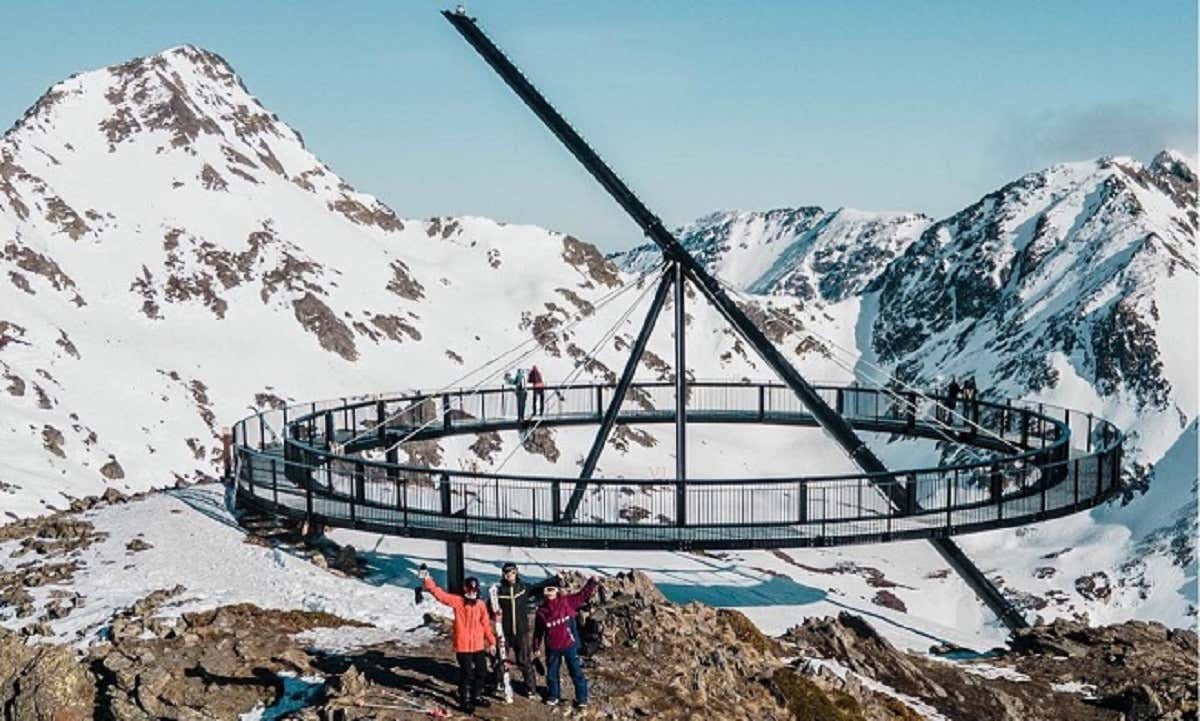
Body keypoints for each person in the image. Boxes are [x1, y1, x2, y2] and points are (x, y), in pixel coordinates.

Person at [420, 566, 497, 712]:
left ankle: (476, 695)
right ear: (465, 589)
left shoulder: (480, 605)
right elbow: (440, 594)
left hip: (478, 645)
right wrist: (427, 579)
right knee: (466, 673)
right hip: (463, 646)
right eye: (469, 590)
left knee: (481, 672)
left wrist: (492, 642)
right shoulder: (458, 602)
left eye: (474, 590)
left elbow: (486, 624)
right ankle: (464, 700)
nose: (472, 593)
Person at [494, 563, 561, 696]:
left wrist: (555, 579)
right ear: (503, 575)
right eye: (507, 573)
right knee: (501, 658)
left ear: (516, 573)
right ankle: (500, 683)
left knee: (524, 660)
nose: (510, 576)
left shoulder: (522, 588)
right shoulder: (499, 591)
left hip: (521, 632)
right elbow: (491, 607)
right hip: (505, 632)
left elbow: (537, 587)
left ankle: (530, 688)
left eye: (512, 573)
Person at [533, 576, 600, 709]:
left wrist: (592, 583)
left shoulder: (566, 602)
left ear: (556, 591)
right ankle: (554, 696)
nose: (550, 593)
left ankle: (582, 698)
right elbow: (538, 632)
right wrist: (536, 647)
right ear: (544, 593)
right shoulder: (541, 612)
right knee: (552, 674)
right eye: (547, 590)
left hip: (569, 645)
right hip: (552, 647)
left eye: (552, 589)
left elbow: (582, 595)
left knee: (576, 672)